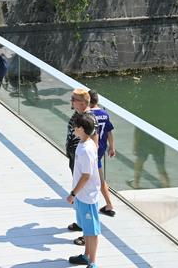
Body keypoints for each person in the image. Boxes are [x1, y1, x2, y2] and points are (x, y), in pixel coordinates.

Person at [66, 112, 101, 267]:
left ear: (81, 129)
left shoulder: (86, 149)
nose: (73, 128)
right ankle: (86, 255)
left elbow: (86, 175)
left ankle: (92, 262)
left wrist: (73, 193)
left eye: (75, 126)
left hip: (87, 196)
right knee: (87, 229)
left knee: (92, 231)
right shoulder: (84, 143)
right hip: (82, 196)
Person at [66, 88, 91, 244]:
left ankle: (86, 233)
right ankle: (81, 223)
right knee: (79, 194)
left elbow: (93, 141)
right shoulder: (79, 114)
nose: (71, 101)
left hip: (82, 161)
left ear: (82, 103)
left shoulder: (88, 118)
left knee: (83, 195)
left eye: (73, 99)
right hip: (75, 158)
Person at [87, 90, 117, 217]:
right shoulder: (104, 114)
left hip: (91, 149)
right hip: (101, 149)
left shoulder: (88, 115)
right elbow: (109, 132)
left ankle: (91, 204)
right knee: (99, 176)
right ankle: (108, 204)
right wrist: (112, 147)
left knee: (92, 177)